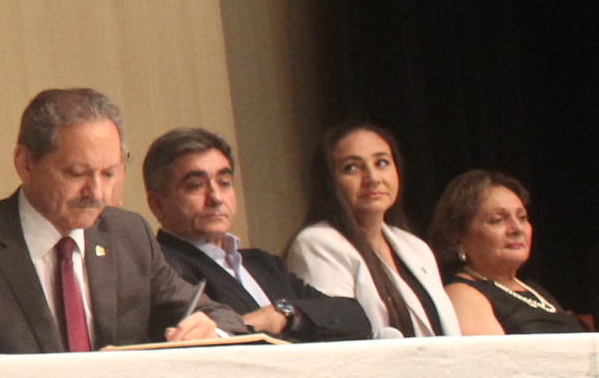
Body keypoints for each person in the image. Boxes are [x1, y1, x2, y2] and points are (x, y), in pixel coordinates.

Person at [0, 88, 239, 354]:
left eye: (109, 173)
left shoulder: (129, 235)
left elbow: (220, 316)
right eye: (76, 173)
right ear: (26, 163)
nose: (97, 192)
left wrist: (209, 331)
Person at [143, 127, 370, 341]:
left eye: (224, 183)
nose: (216, 197)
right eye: (195, 186)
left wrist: (283, 314)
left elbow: (354, 316)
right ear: (158, 205)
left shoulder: (263, 263)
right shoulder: (162, 271)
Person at [285, 121, 457, 339]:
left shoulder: (416, 247)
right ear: (329, 182)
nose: (373, 178)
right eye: (352, 168)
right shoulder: (319, 244)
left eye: (382, 163)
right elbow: (335, 334)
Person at [432, 170, 581, 335]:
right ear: (457, 236)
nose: (517, 229)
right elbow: (493, 360)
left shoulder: (530, 288)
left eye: (522, 217)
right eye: (498, 220)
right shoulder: (463, 296)